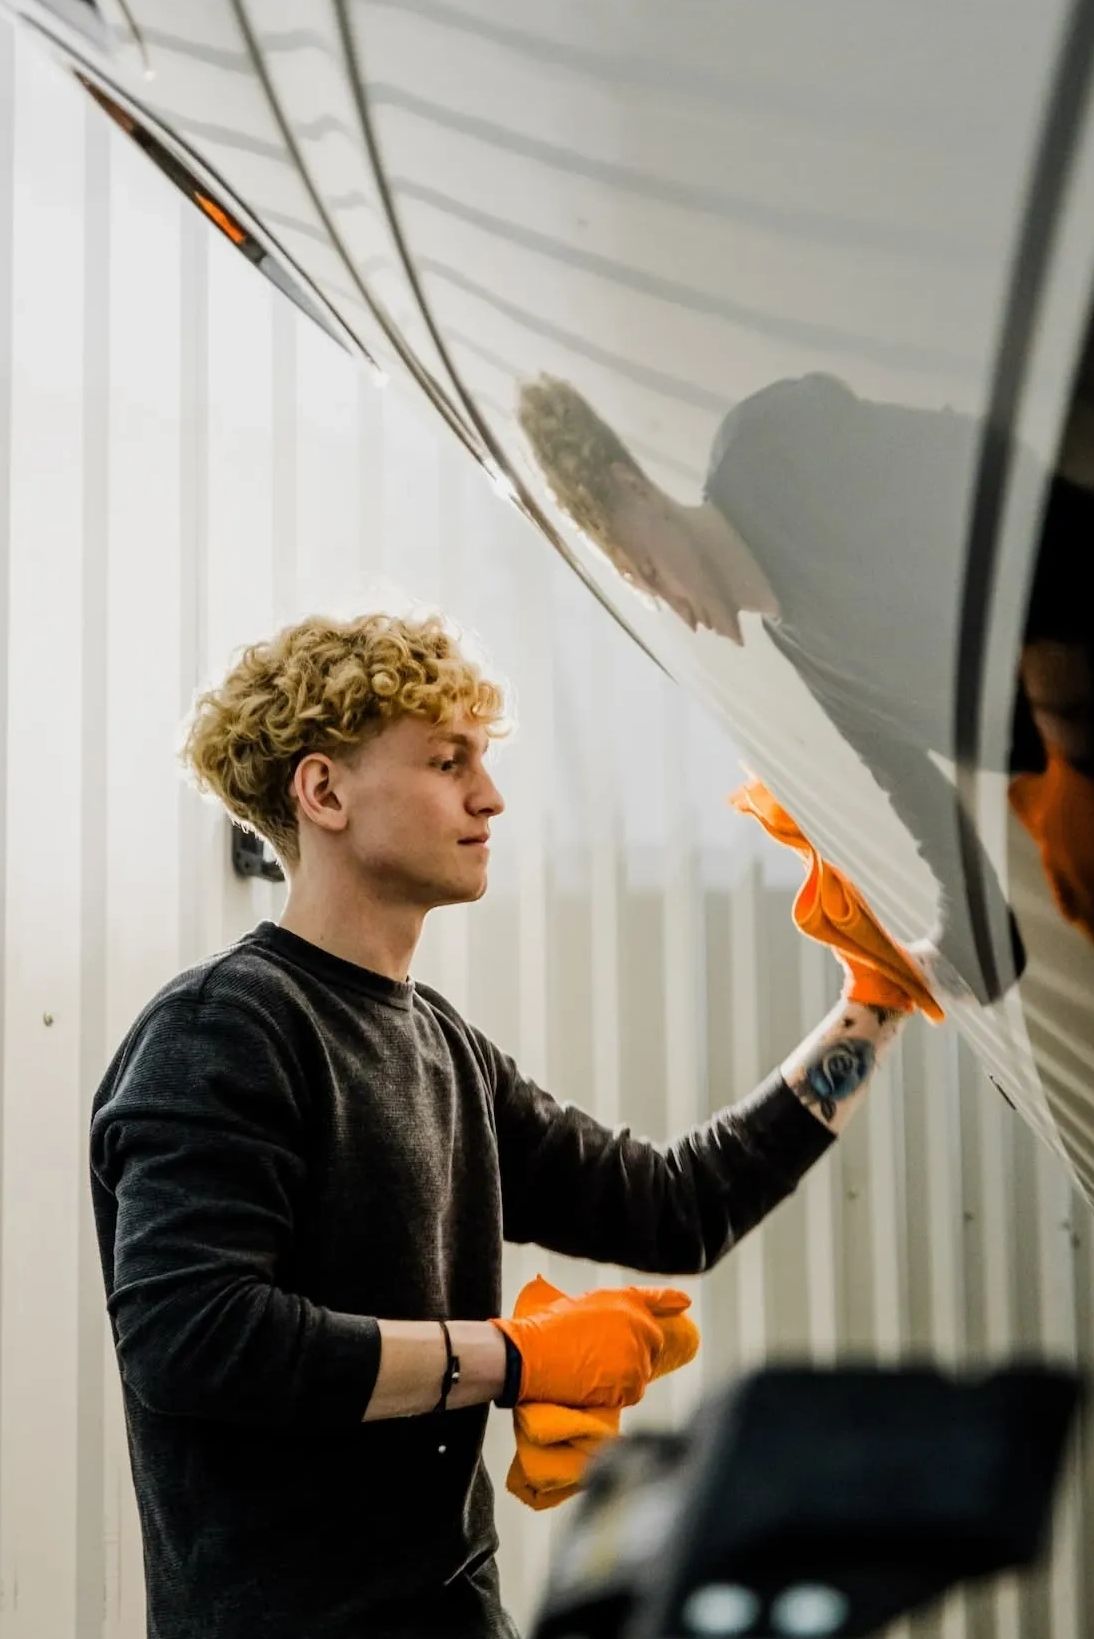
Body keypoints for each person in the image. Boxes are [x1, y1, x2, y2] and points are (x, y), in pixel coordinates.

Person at [90, 611, 923, 1639]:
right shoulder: (225, 1026)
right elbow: (195, 1341)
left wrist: (875, 999)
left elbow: (673, 1208)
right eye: (448, 761)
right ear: (324, 791)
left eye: (482, 760)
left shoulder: (444, 1047)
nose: (489, 795)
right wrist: (513, 1357)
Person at [517, 373, 1040, 1004]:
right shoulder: (803, 650)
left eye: (651, 571)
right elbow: (910, 788)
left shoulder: (769, 450)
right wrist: (949, 956)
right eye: (646, 594)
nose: (677, 611)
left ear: (637, 489)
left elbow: (983, 475)